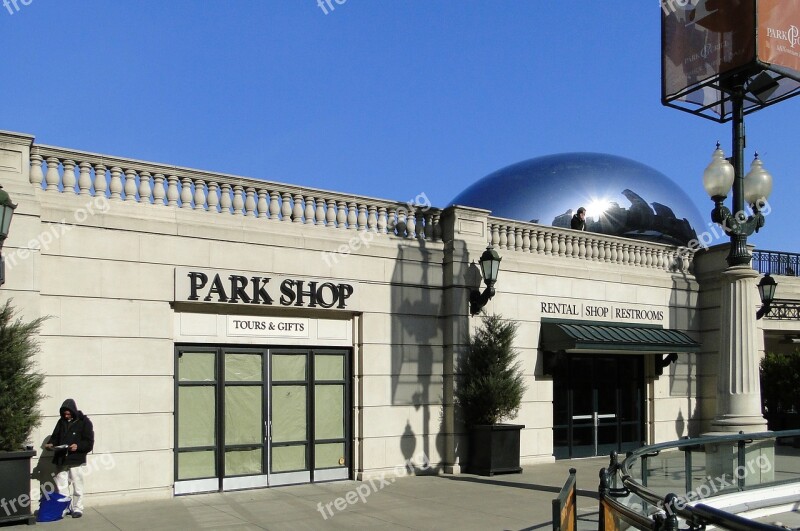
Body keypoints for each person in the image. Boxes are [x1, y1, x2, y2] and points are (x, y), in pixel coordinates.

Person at [44, 399, 94, 518]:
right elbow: (55, 437)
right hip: (61, 458)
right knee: (61, 486)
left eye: (68, 413)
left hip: (76, 459)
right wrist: (51, 444)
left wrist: (78, 446)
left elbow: (89, 443)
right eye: (64, 414)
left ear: (73, 411)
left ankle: (77, 508)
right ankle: (64, 507)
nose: (66, 416)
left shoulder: (84, 422)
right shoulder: (61, 422)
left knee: (77, 485)